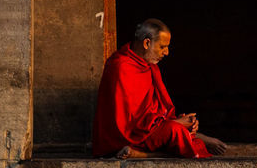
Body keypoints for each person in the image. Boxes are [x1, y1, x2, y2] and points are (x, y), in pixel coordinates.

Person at [91, 19, 228, 158]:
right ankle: (146, 155)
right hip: (126, 138)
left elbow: (156, 111)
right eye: (162, 47)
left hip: (149, 130)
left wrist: (181, 121)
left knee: (178, 132)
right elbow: (128, 124)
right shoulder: (120, 67)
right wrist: (174, 123)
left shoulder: (151, 67)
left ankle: (150, 151)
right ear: (147, 43)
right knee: (176, 132)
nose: (166, 52)